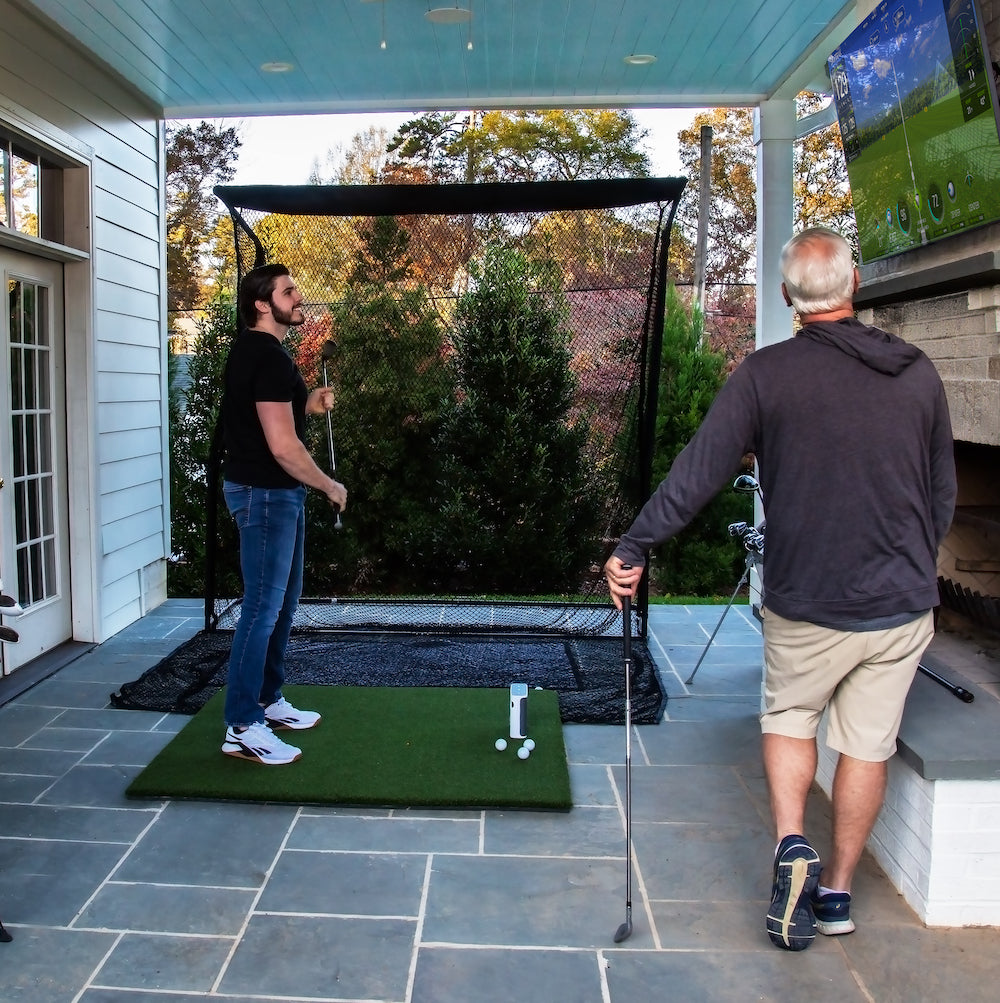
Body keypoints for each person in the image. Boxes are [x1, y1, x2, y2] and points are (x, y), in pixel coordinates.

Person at [604, 227, 955, 950]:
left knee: (791, 718)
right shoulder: (918, 372)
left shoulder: (766, 375)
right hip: (900, 607)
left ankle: (793, 842)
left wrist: (635, 544)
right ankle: (837, 893)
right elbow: (942, 491)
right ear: (853, 286)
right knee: (867, 746)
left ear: (792, 300)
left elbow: (697, 473)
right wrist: (914, 563)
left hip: (808, 601)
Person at [220, 263, 348, 766]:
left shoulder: (267, 354)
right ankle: (242, 725)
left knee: (282, 604)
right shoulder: (264, 356)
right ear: (261, 303)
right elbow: (282, 445)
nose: (299, 298)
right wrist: (329, 484)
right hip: (266, 493)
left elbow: (287, 413)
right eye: (289, 291)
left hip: (274, 494)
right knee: (261, 609)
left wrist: (312, 401)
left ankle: (269, 701)